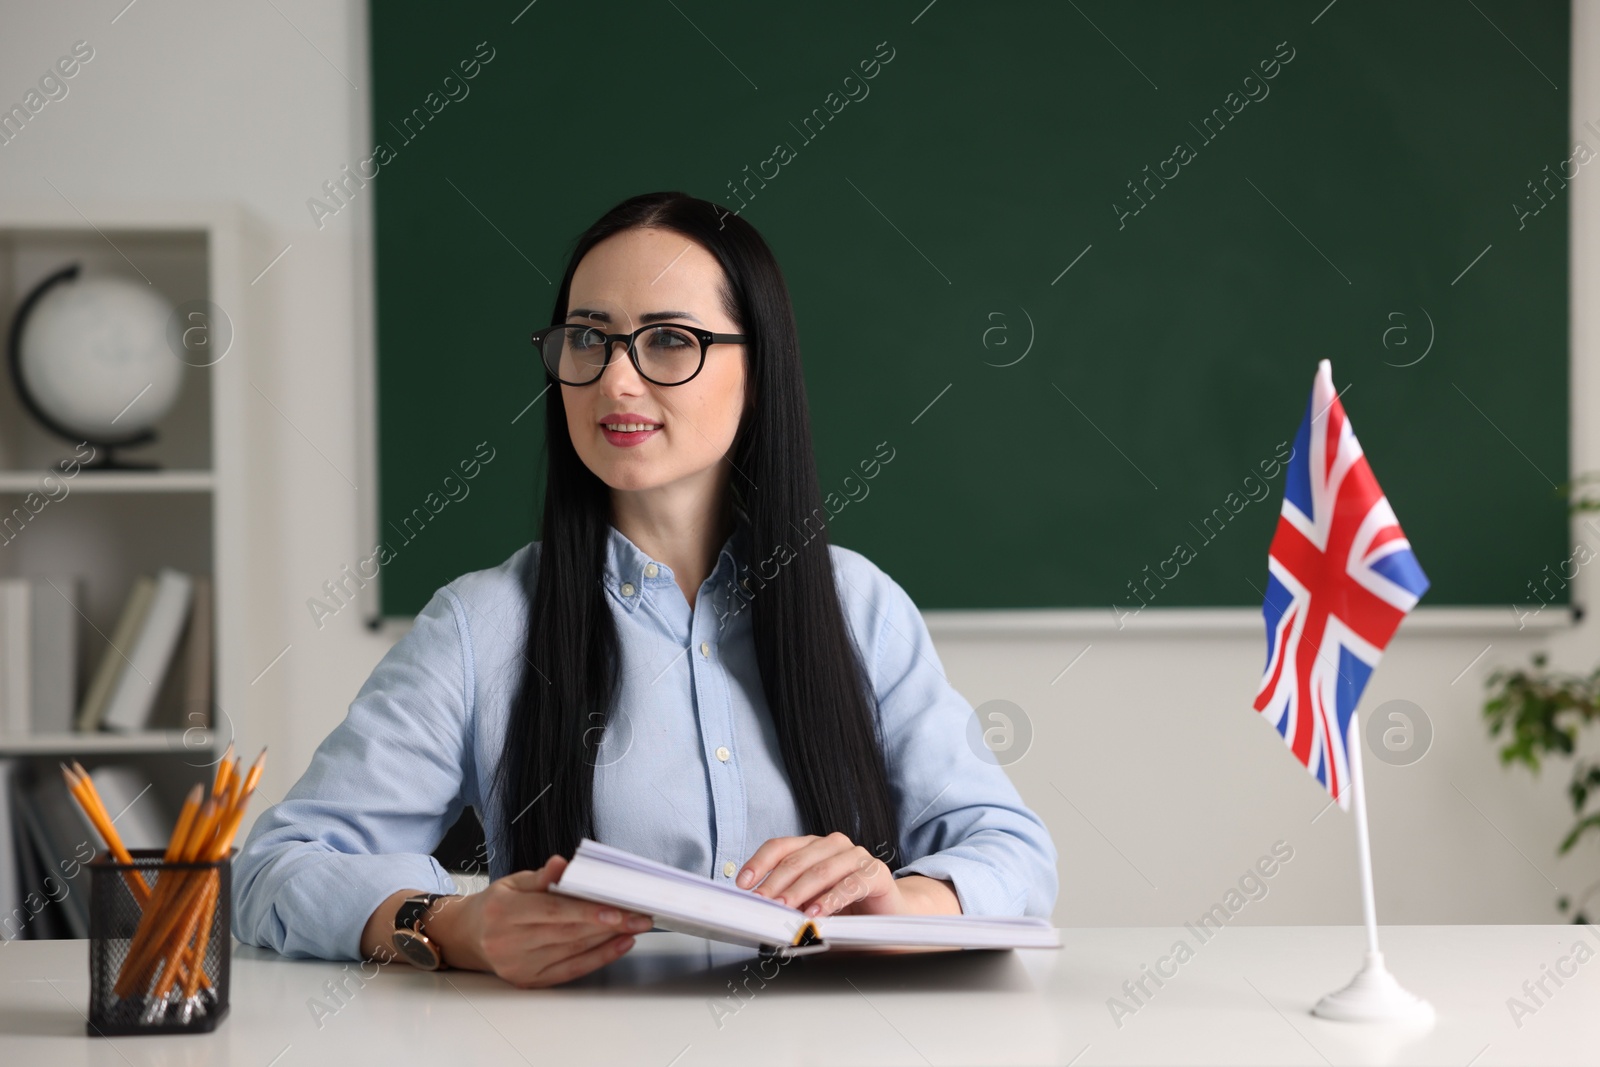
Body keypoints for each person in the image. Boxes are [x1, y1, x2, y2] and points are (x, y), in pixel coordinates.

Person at [231, 190, 1058, 989]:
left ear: (760, 368)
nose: (617, 382)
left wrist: (896, 905)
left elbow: (1013, 854)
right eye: (588, 341)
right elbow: (274, 869)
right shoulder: (481, 626)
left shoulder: (861, 608)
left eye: (668, 340)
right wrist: (451, 924)